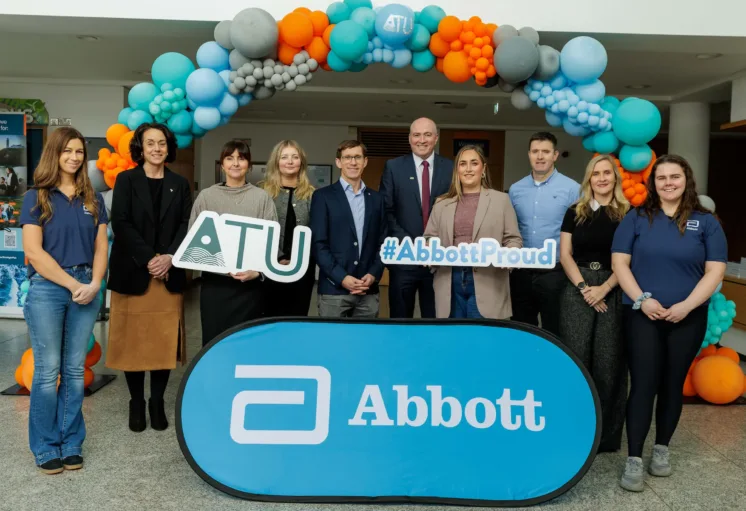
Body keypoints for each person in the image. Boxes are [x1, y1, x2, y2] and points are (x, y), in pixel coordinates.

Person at [611, 154, 727, 492]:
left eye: (674, 177)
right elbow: (620, 264)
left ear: (686, 179)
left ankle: (661, 450)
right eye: (661, 178)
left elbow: (715, 270)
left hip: (687, 317)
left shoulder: (706, 222)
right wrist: (643, 301)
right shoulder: (635, 218)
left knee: (672, 383)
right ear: (653, 183)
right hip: (642, 314)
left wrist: (687, 306)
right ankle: (634, 459)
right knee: (644, 384)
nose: (668, 183)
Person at [19, 127, 109, 474]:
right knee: (47, 372)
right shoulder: (36, 197)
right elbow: (33, 252)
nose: (74, 157)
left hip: (87, 286)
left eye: (79, 152)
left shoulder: (93, 198)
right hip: (48, 289)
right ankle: (44, 447)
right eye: (67, 151)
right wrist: (74, 284)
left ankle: (71, 442)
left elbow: (102, 247)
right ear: (54, 154)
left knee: (74, 371)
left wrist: (95, 283)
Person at [105, 123, 192, 433]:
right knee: (133, 342)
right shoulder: (126, 180)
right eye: (150, 143)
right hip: (134, 272)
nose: (157, 148)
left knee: (161, 342)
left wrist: (169, 256)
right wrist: (149, 258)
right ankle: (136, 402)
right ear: (140, 148)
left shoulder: (180, 184)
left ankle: (156, 402)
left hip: (168, 272)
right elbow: (121, 223)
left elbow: (186, 224)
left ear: (169, 148)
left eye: (162, 143)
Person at [559, 154, 630, 453]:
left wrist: (604, 289)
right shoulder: (575, 211)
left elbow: (632, 258)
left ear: (615, 177)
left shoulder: (629, 214)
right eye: (595, 174)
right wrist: (585, 289)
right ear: (589, 179)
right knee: (576, 360)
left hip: (615, 286)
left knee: (609, 363)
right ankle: (575, 430)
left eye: (606, 173)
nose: (601, 178)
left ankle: (607, 437)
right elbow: (565, 254)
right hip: (578, 289)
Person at [190, 139, 278, 345]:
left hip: (250, 287)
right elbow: (194, 243)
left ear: (250, 165)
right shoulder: (206, 197)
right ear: (222, 165)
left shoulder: (262, 198)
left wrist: (258, 272)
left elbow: (272, 243)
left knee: (248, 344)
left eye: (241, 158)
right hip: (215, 286)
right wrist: (222, 268)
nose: (236, 163)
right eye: (230, 158)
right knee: (214, 343)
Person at [424, 145, 522, 319]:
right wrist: (430, 249)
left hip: (489, 281)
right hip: (449, 281)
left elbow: (513, 239)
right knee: (454, 339)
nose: (468, 169)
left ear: (483, 168)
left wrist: (510, 253)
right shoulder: (441, 203)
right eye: (462, 164)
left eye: (474, 163)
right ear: (457, 170)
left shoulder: (501, 200)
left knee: (484, 341)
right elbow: (430, 237)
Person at [378, 117, 453, 318]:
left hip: (439, 261)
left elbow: (455, 210)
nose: (422, 140)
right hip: (404, 259)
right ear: (410, 138)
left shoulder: (451, 168)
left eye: (427, 134)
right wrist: (413, 244)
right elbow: (386, 210)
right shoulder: (393, 167)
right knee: (400, 320)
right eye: (417, 135)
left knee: (436, 320)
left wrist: (434, 244)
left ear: (436, 138)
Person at [508, 132, 580, 336]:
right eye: (535, 151)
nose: (540, 156)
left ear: (555, 155)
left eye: (546, 152)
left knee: (555, 329)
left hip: (555, 273)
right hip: (521, 272)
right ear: (529, 154)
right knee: (521, 330)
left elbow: (578, 231)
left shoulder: (572, 189)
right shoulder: (515, 190)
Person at [310, 140, 387, 318]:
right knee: (333, 344)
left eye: (357, 157)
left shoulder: (377, 200)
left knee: (366, 344)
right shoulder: (323, 197)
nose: (353, 162)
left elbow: (383, 243)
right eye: (347, 157)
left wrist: (374, 274)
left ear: (365, 162)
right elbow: (318, 244)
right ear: (339, 162)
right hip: (333, 290)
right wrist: (341, 277)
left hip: (368, 290)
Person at [260, 140, 316, 317]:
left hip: (302, 270)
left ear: (302, 162)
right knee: (269, 318)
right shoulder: (262, 193)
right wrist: (279, 256)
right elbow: (259, 230)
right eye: (284, 157)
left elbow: (316, 233)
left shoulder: (314, 195)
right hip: (268, 268)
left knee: (297, 317)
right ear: (276, 161)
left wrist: (296, 259)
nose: (290, 161)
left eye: (295, 157)